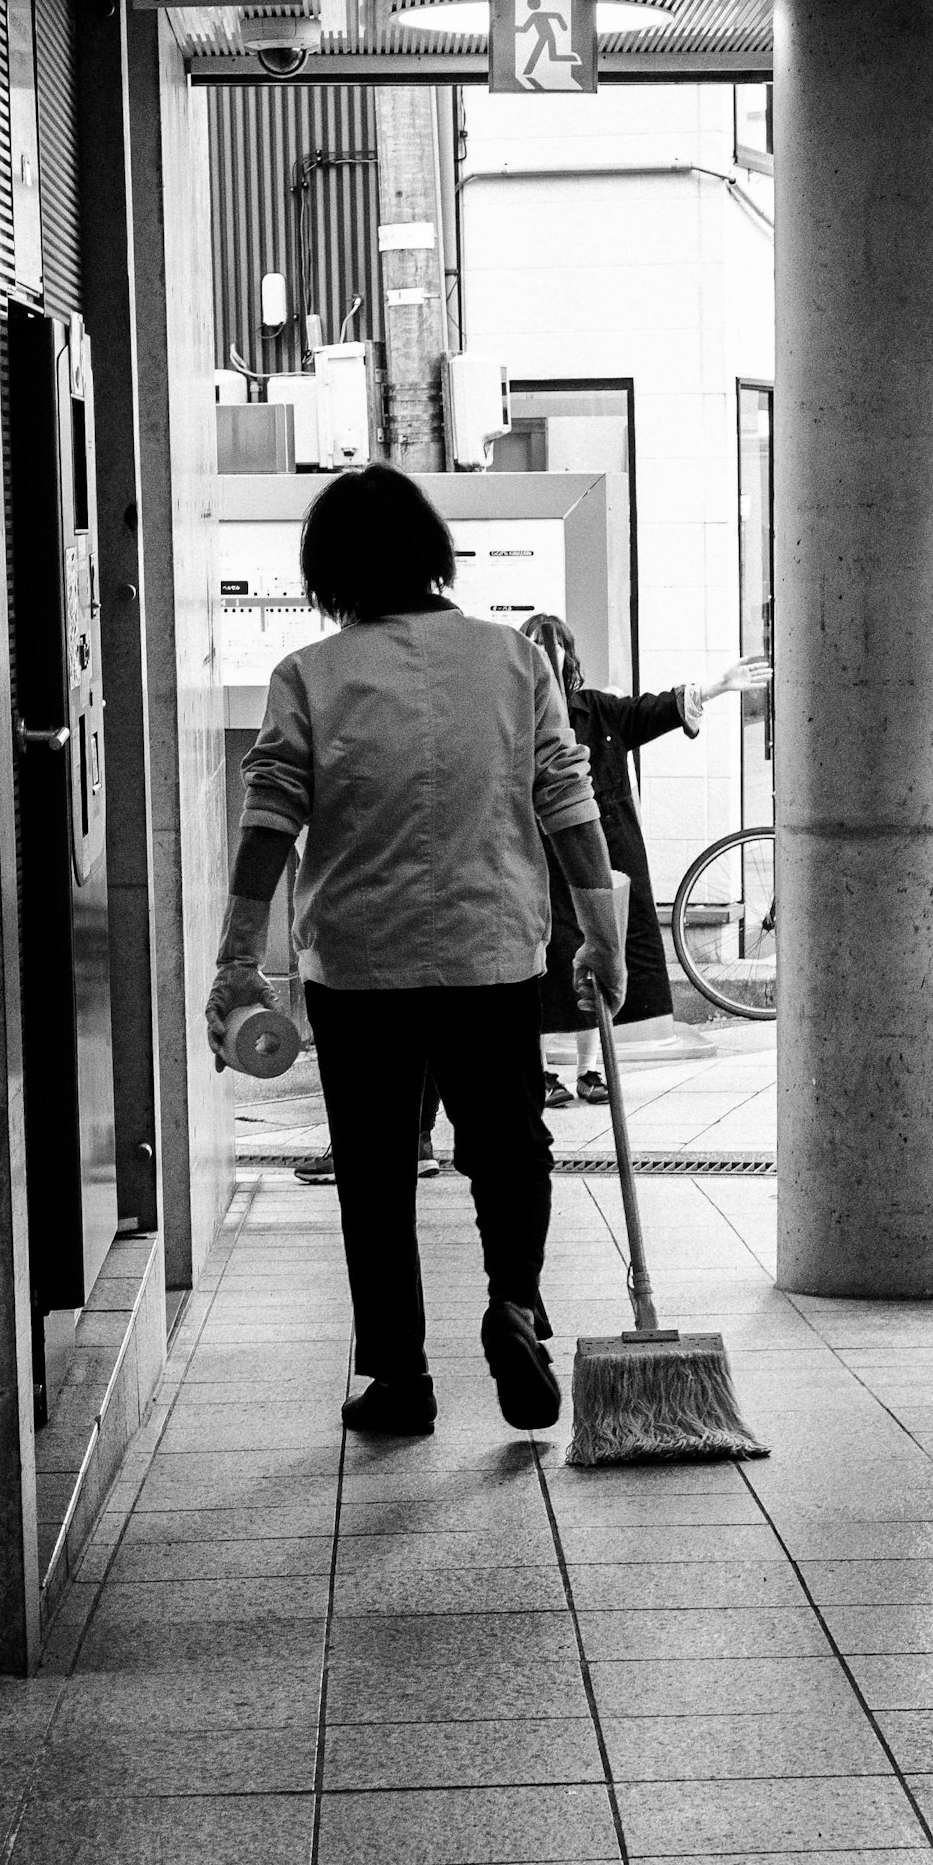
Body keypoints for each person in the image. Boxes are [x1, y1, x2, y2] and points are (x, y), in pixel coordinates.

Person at [208, 466, 626, 1436]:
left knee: (376, 1166)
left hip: (360, 965)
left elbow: (268, 821)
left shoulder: (308, 675)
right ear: (433, 553)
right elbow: (568, 801)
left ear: (329, 572)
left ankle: (401, 1376)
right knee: (510, 1146)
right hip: (491, 951)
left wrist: (238, 961)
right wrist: (601, 939)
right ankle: (515, 1305)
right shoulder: (512, 661)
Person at [519, 613, 770, 1103]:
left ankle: (591, 1071)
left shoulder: (600, 711)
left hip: (598, 861)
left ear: (571, 658)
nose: (548, 657)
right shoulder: (510, 720)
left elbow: (655, 709)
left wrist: (717, 686)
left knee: (597, 959)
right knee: (543, 963)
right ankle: (542, 1074)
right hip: (536, 862)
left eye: (554, 647)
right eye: (535, 647)